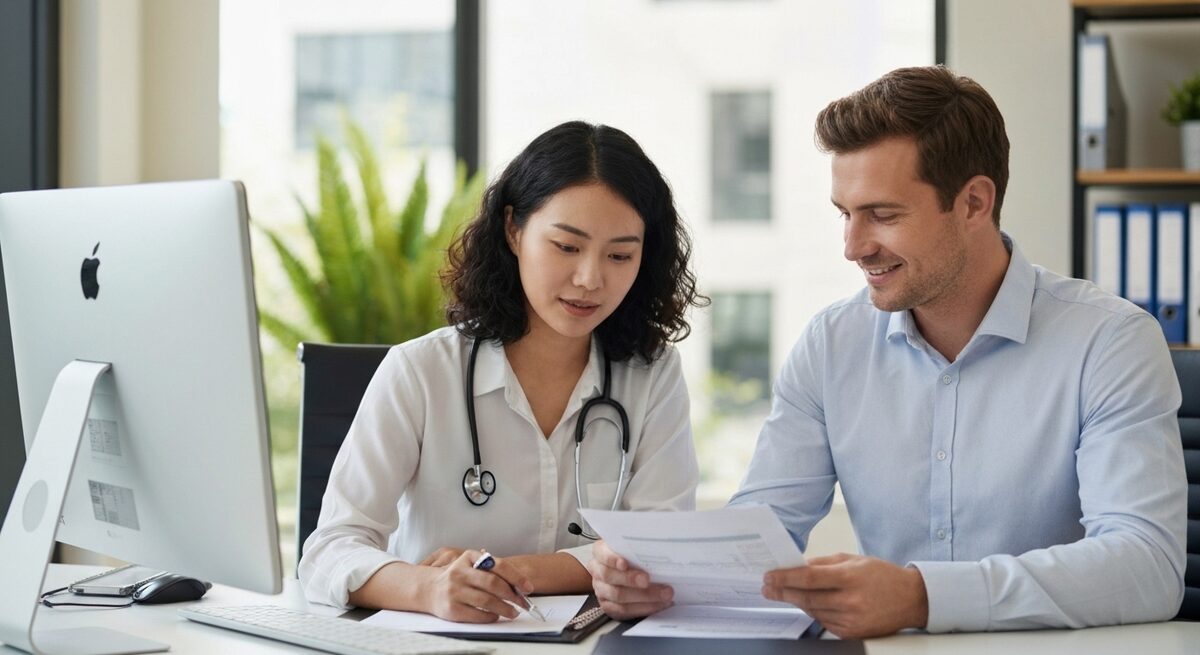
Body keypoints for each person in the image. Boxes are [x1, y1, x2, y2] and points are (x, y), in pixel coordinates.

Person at [586, 66, 1187, 638]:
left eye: (882, 215)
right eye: (845, 214)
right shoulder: (830, 346)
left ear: (974, 203)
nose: (852, 247)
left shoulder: (1109, 341)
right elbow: (759, 533)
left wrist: (921, 595)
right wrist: (660, 580)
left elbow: (1146, 566)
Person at [298, 121, 706, 622]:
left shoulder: (653, 373)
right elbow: (329, 551)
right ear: (514, 230)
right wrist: (428, 588)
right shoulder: (421, 370)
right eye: (567, 246)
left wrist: (507, 573)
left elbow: (657, 551)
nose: (590, 279)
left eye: (620, 255)